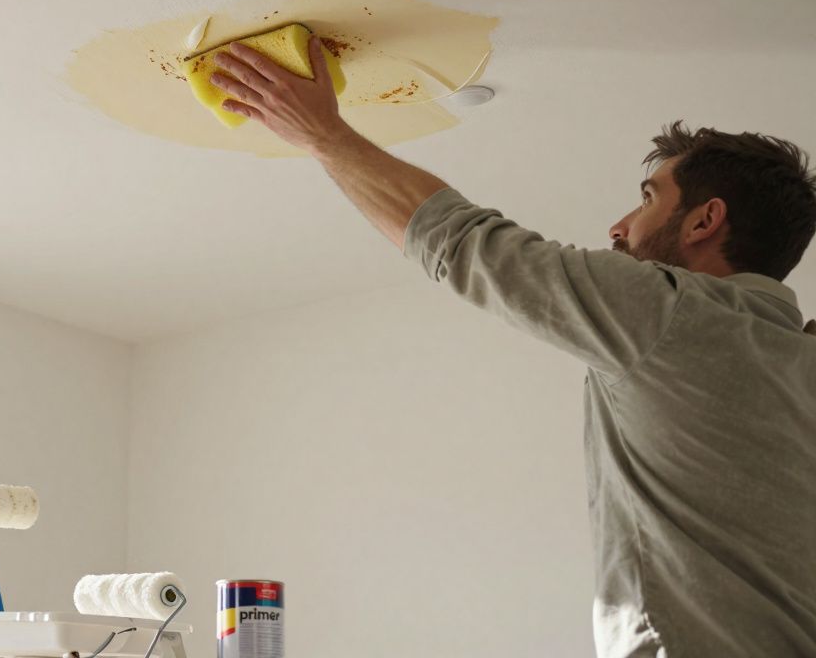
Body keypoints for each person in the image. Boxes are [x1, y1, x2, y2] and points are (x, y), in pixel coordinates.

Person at [208, 36, 816, 657]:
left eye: (648, 198)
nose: (619, 228)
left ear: (703, 221)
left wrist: (324, 134)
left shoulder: (669, 311)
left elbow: (462, 243)